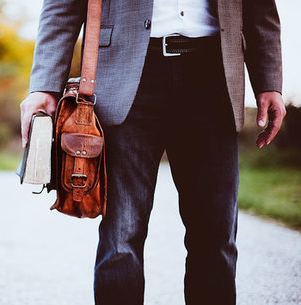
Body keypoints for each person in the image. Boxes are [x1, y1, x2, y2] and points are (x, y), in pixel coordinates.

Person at [19, 0, 286, 304]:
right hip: (127, 73)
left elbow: (260, 8)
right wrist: (44, 85)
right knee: (121, 237)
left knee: (216, 237)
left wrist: (269, 82)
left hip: (215, 75)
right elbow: (62, 6)